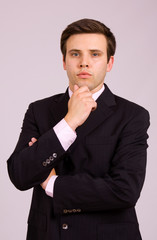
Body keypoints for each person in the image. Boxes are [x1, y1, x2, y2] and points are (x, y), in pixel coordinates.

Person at [7, 18, 150, 240]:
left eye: (95, 54)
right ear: (64, 61)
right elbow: (20, 174)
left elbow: (125, 190)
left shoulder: (133, 116)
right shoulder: (39, 110)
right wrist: (69, 122)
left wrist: (53, 184)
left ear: (109, 63)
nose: (84, 62)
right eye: (75, 54)